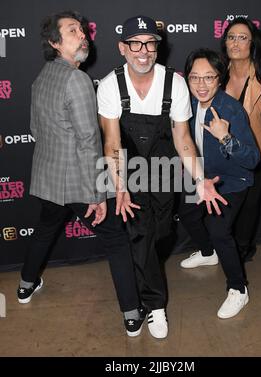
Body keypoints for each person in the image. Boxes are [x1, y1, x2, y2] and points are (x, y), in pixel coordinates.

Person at [97, 16, 227, 338]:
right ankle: (155, 306)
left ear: (158, 46)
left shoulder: (176, 83)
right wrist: (119, 187)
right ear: (122, 48)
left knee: (160, 234)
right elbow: (111, 141)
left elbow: (183, 138)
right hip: (128, 171)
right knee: (139, 236)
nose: (144, 51)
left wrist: (199, 179)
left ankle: (145, 279)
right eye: (135, 43)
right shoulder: (110, 84)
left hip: (165, 169)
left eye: (150, 43)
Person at [17, 10, 145, 338]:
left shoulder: (42, 76)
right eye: (73, 31)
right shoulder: (77, 79)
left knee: (45, 230)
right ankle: (132, 314)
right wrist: (96, 195)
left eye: (82, 29)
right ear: (55, 42)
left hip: (48, 178)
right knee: (116, 240)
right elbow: (89, 141)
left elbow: (34, 129)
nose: (82, 34)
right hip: (78, 184)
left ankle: (25, 285)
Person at [179, 48, 260, 318]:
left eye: (209, 77)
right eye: (194, 77)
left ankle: (239, 289)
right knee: (188, 213)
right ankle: (208, 253)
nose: (201, 85)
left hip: (231, 181)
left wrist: (225, 137)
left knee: (218, 228)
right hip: (203, 178)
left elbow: (251, 159)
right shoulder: (186, 105)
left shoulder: (231, 110)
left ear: (220, 79)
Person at [220, 18, 261, 261]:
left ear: (252, 43)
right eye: (231, 37)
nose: (236, 43)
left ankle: (242, 250)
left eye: (242, 37)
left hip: (256, 151)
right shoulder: (217, 74)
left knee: (249, 205)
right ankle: (222, 245)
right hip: (225, 150)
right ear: (225, 42)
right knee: (227, 203)